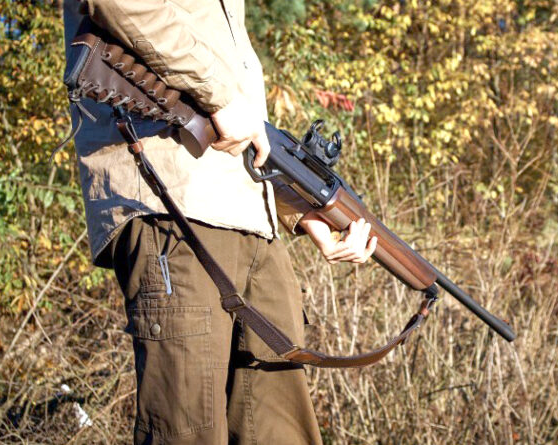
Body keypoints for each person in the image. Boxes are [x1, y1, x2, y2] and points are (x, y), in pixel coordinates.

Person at [62, 1, 377, 444]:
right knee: (187, 431)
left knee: (283, 433)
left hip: (253, 220)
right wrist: (220, 95)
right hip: (173, 204)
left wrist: (300, 211)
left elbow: (239, 130)